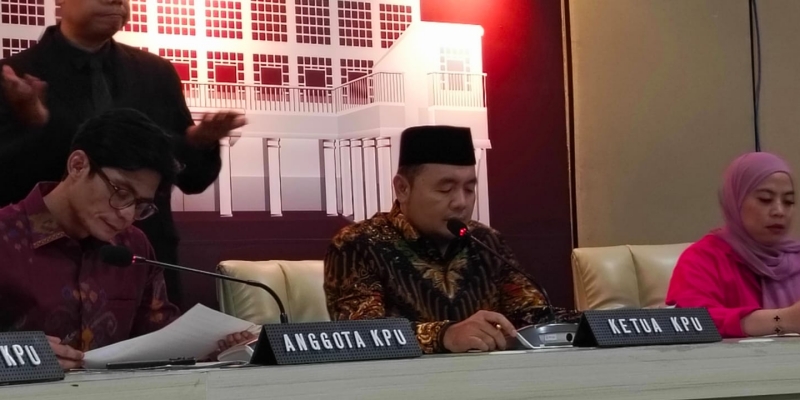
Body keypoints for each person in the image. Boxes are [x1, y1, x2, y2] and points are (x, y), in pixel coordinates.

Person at [0, 0, 246, 306]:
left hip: (141, 265)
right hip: (40, 273)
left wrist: (197, 143)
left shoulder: (156, 73)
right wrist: (33, 127)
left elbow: (192, 180)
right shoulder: (14, 75)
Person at [0, 109, 251, 370]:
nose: (127, 214)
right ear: (78, 165)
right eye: (120, 192)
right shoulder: (5, 237)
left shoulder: (133, 247)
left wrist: (215, 348)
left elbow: (162, 341)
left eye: (141, 205)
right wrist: (15, 355)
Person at [324, 125, 578, 354]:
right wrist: (445, 335)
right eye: (445, 189)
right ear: (402, 188)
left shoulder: (486, 242)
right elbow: (360, 334)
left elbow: (534, 315)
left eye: (469, 189)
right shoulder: (359, 244)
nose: (461, 202)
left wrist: (588, 324)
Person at [666, 152, 800, 338]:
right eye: (765, 199)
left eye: (788, 202)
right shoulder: (703, 259)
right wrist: (781, 321)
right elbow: (691, 321)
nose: (779, 211)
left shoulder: (796, 257)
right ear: (735, 200)